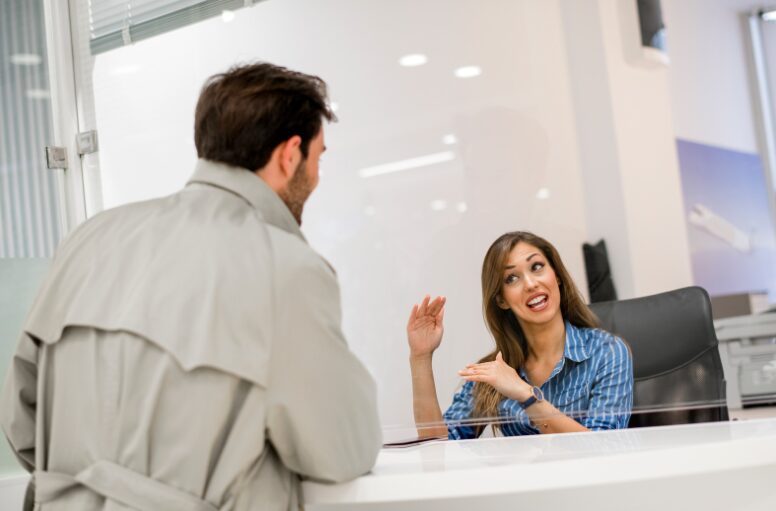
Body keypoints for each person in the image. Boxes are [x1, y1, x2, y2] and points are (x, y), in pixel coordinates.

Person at [0, 62, 382, 510]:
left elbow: (21, 423)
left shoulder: (87, 240)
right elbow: (344, 447)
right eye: (319, 156)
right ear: (290, 154)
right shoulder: (284, 266)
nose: (316, 175)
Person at [407, 231, 632, 439]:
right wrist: (421, 357)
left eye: (536, 267)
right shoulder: (496, 372)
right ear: (501, 300)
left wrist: (527, 396)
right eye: (511, 278)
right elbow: (439, 448)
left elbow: (605, 449)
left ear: (557, 276)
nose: (531, 284)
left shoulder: (606, 352)